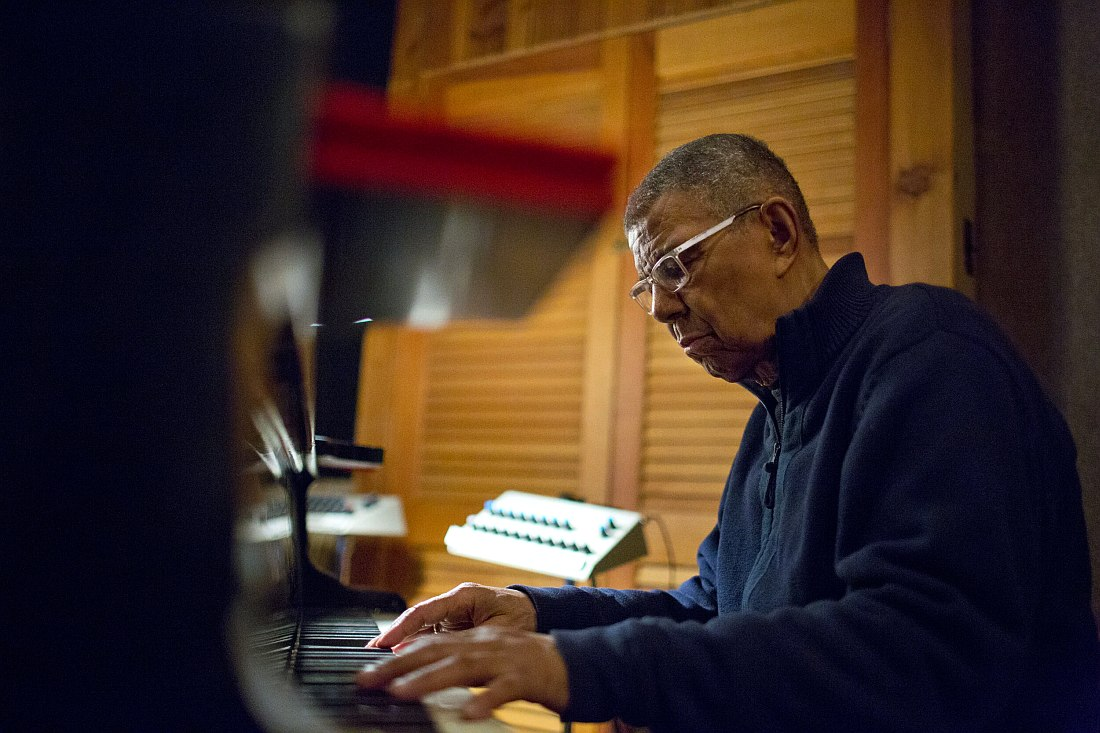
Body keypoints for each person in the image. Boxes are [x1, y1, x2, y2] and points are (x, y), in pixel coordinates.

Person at [357, 134, 1100, 731]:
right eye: (648, 287)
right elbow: (708, 603)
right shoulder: (769, 421)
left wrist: (587, 669)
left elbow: (923, 654)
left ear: (776, 231)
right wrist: (534, 614)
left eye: (677, 266)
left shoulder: (931, 355)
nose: (660, 311)